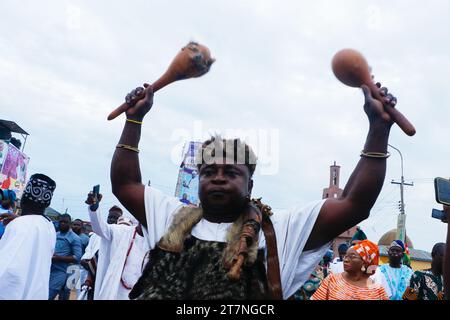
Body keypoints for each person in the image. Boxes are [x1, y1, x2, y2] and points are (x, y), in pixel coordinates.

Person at [110, 80, 399, 299]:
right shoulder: (171, 218)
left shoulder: (281, 230)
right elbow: (125, 184)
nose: (218, 178)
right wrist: (134, 120)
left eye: (231, 172)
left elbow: (355, 205)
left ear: (250, 185)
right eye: (209, 171)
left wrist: (379, 129)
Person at [0, 174, 57, 299]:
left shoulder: (19, 225)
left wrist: (18, 222)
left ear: (24, 198)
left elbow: (7, 271)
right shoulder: (49, 226)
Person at [86, 192, 148, 300]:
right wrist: (94, 208)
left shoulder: (154, 243)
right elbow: (99, 227)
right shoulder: (122, 231)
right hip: (115, 292)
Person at [311, 240, 388, 300]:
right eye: (346, 256)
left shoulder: (378, 291)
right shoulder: (332, 280)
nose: (346, 260)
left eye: (352, 257)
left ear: (365, 263)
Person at [79, 205, 123, 300]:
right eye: (110, 217)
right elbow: (88, 251)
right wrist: (87, 261)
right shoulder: (95, 235)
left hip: (107, 276)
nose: (111, 220)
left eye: (115, 218)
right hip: (90, 274)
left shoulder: (120, 238)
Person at [49, 213, 82, 300]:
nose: (62, 224)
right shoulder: (55, 234)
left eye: (65, 222)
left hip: (63, 271)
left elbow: (77, 257)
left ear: (70, 223)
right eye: (61, 222)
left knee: (52, 295)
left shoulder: (75, 238)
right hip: (49, 269)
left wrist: (58, 258)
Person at [71, 218, 90, 297]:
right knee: (67, 288)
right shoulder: (68, 235)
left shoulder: (86, 239)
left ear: (82, 226)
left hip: (79, 267)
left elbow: (88, 253)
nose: (75, 226)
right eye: (74, 224)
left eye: (78, 225)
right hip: (67, 265)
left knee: (77, 290)